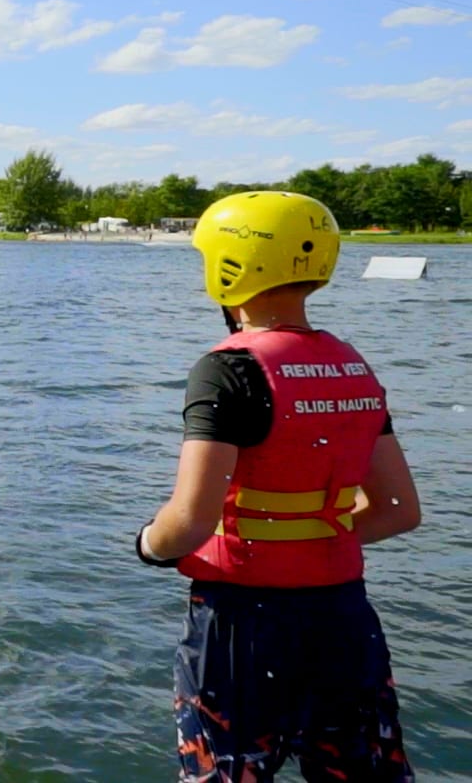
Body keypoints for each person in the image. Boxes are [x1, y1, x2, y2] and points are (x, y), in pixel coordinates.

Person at [135, 191, 423, 781]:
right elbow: (398, 510)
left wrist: (148, 544)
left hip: (241, 623)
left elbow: (189, 521)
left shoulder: (228, 369)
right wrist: (310, 541)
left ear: (228, 265)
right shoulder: (352, 364)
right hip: (344, 617)